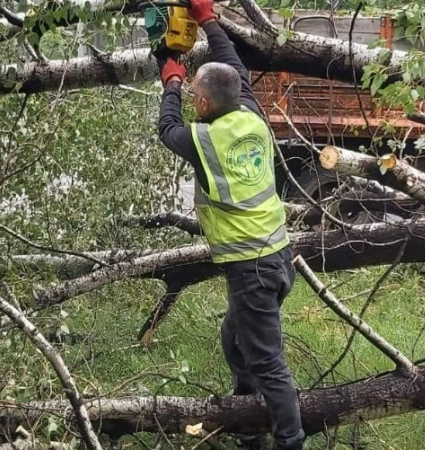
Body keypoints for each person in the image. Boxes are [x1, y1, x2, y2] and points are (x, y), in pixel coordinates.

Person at [153, 0, 306, 448]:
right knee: (234, 340)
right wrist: (207, 19)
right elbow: (233, 65)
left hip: (253, 268)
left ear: (201, 102)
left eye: (193, 95)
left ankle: (290, 440)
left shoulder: (204, 139)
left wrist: (170, 81)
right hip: (277, 257)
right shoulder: (251, 117)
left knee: (268, 363)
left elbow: (166, 130)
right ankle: (248, 421)